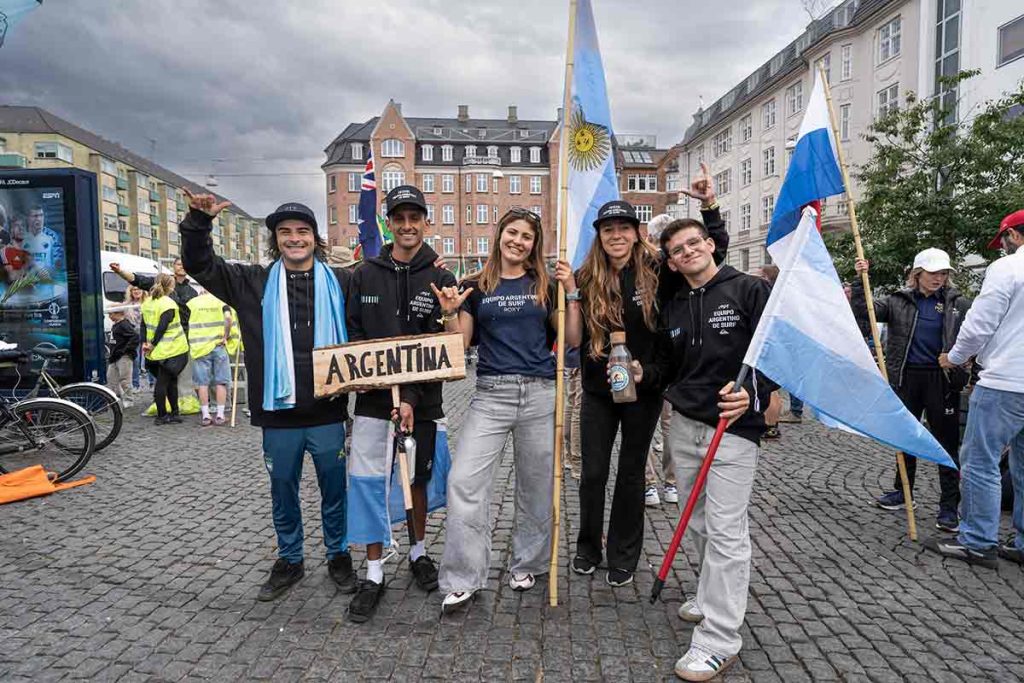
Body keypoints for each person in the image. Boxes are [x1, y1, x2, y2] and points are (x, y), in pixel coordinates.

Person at [180, 192, 355, 602]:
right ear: (276, 240)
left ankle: (339, 554)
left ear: (315, 238)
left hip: (328, 411)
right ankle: (290, 558)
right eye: (285, 232)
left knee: (335, 490)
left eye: (303, 231)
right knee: (283, 490)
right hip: (278, 414)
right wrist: (198, 222)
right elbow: (201, 265)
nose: (295, 238)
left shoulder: (342, 282)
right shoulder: (251, 282)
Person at [572, 168, 727, 588]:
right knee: (593, 472)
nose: (616, 235)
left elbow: (713, 256)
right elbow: (569, 330)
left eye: (624, 227)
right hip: (598, 388)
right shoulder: (585, 276)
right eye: (608, 229)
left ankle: (624, 555)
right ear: (599, 235)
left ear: (636, 232)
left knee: (631, 471)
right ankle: (588, 546)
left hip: (646, 388)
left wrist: (710, 208)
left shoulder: (658, 269)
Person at [438, 207, 581, 610]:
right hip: (491, 394)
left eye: (527, 236)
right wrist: (449, 312)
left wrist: (571, 292)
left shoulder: (545, 284)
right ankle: (464, 576)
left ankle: (528, 562)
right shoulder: (476, 285)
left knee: (536, 485)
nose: (518, 241)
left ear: (535, 244)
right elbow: (460, 345)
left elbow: (572, 339)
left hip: (540, 392)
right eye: (512, 233)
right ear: (499, 235)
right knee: (463, 481)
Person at [656, 217, 772, 682]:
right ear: (671, 262)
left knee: (726, 532)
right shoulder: (675, 303)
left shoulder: (749, 289)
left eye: (694, 243)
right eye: (677, 250)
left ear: (709, 244)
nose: (688, 252)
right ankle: (707, 594)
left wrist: (754, 393)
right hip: (685, 425)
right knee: (698, 522)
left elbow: (776, 351)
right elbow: (670, 364)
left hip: (733, 428)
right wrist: (647, 375)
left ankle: (719, 639)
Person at [344, 185, 462, 623]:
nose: (407, 225)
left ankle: (417, 552)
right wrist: (373, 382)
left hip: (425, 402)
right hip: (374, 403)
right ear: (389, 223)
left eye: (415, 218)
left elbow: (440, 343)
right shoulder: (364, 274)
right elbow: (354, 334)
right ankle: (374, 571)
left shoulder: (442, 276)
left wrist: (410, 397)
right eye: (399, 218)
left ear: (425, 222)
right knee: (369, 482)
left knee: (418, 481)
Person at [852, 248, 970, 532]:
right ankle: (902, 492)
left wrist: (966, 367)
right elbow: (864, 311)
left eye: (943, 273)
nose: (939, 278)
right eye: (933, 273)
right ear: (917, 274)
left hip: (942, 380)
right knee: (906, 436)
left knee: (946, 442)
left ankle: (949, 506)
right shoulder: (898, 300)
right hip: (906, 378)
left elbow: (977, 335)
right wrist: (859, 280)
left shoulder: (958, 303)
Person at [931, 210, 1024, 567]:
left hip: (1006, 381)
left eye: (1003, 240)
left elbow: (979, 323)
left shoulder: (1008, 268)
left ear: (1014, 236)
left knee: (980, 461)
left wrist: (954, 357)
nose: (1002, 247)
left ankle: (978, 541)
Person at [644, 214, 677, 506]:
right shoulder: (671, 265)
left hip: (658, 357)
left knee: (655, 425)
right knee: (663, 425)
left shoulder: (665, 266)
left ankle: (658, 483)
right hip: (656, 356)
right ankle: (664, 483)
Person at [140, 274, 189, 425]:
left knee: (170, 381)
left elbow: (143, 325)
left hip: (154, 352)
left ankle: (174, 413)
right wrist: (153, 343)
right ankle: (162, 415)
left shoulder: (147, 302)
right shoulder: (168, 303)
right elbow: (163, 326)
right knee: (163, 383)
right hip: (171, 349)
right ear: (171, 287)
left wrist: (145, 343)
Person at [186, 291, 234, 426]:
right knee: (221, 381)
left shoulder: (192, 303)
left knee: (202, 383)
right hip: (218, 345)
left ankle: (206, 415)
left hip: (199, 347)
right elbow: (228, 318)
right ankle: (220, 415)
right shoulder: (221, 301)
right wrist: (225, 336)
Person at [757, 264, 784, 440]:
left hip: (769, 346)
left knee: (770, 389)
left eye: (759, 275)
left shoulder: (770, 296)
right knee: (771, 388)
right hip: (771, 344)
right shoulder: (774, 295)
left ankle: (771, 426)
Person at [106, 308, 139, 408]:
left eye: (111, 314)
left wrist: (125, 350)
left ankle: (128, 400)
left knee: (125, 380)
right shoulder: (116, 325)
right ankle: (114, 399)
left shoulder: (124, 324)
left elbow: (134, 337)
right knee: (111, 378)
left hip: (123, 357)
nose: (109, 316)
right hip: (115, 357)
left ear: (118, 313)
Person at [563, 345, 582, 480]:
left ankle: (568, 456)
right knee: (577, 408)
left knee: (570, 404)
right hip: (579, 358)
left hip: (570, 357)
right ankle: (576, 463)